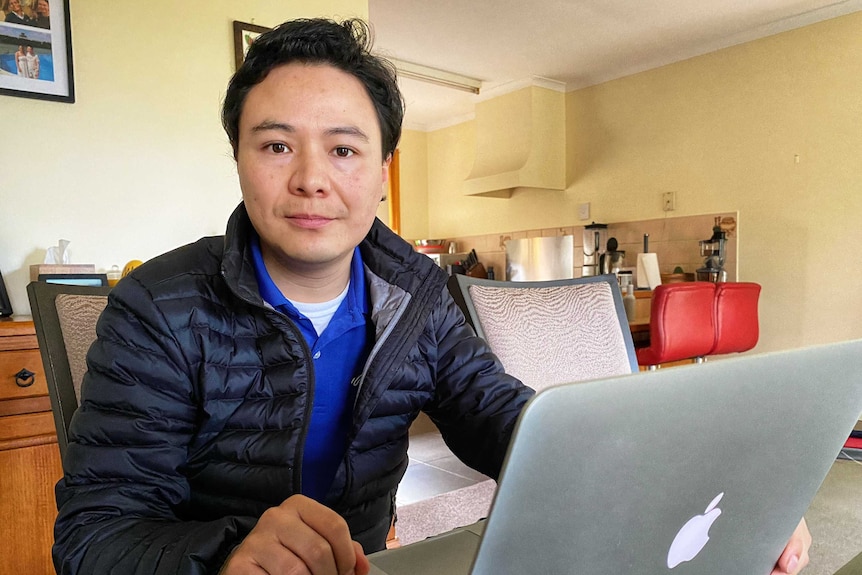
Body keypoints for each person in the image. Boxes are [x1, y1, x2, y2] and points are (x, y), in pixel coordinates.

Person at [51, 17, 811, 575]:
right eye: (276, 144)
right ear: (240, 160)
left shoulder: (418, 294)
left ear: (382, 168)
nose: (312, 177)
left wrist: (708, 488)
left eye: (344, 149)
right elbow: (93, 536)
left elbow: (507, 419)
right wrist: (225, 553)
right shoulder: (159, 307)